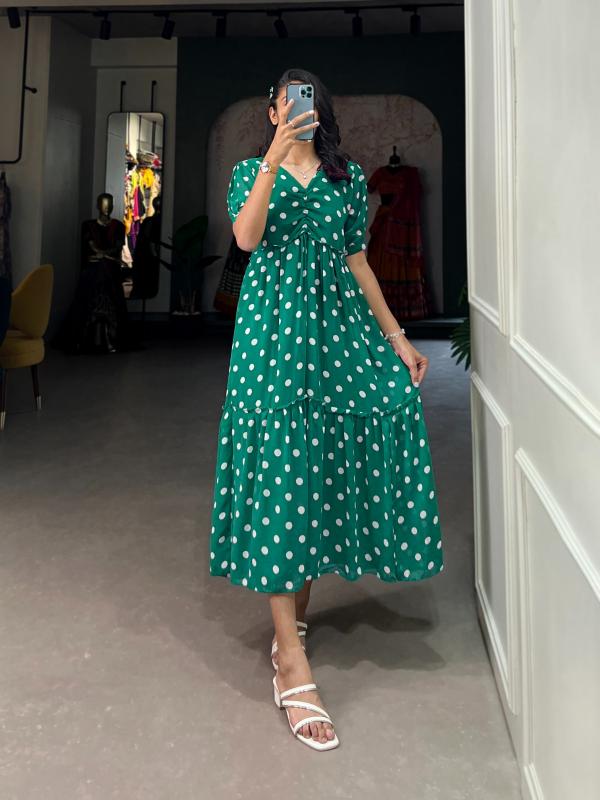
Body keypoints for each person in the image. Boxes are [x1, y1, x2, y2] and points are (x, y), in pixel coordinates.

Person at [209, 69, 445, 751]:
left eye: (305, 99)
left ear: (320, 110)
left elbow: (358, 263)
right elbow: (246, 238)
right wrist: (275, 156)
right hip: (272, 338)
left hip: (337, 334)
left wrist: (397, 339)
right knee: (284, 475)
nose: (295, 107)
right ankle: (291, 658)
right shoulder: (251, 171)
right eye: (285, 100)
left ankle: (293, 624)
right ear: (272, 111)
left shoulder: (347, 178)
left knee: (317, 468)